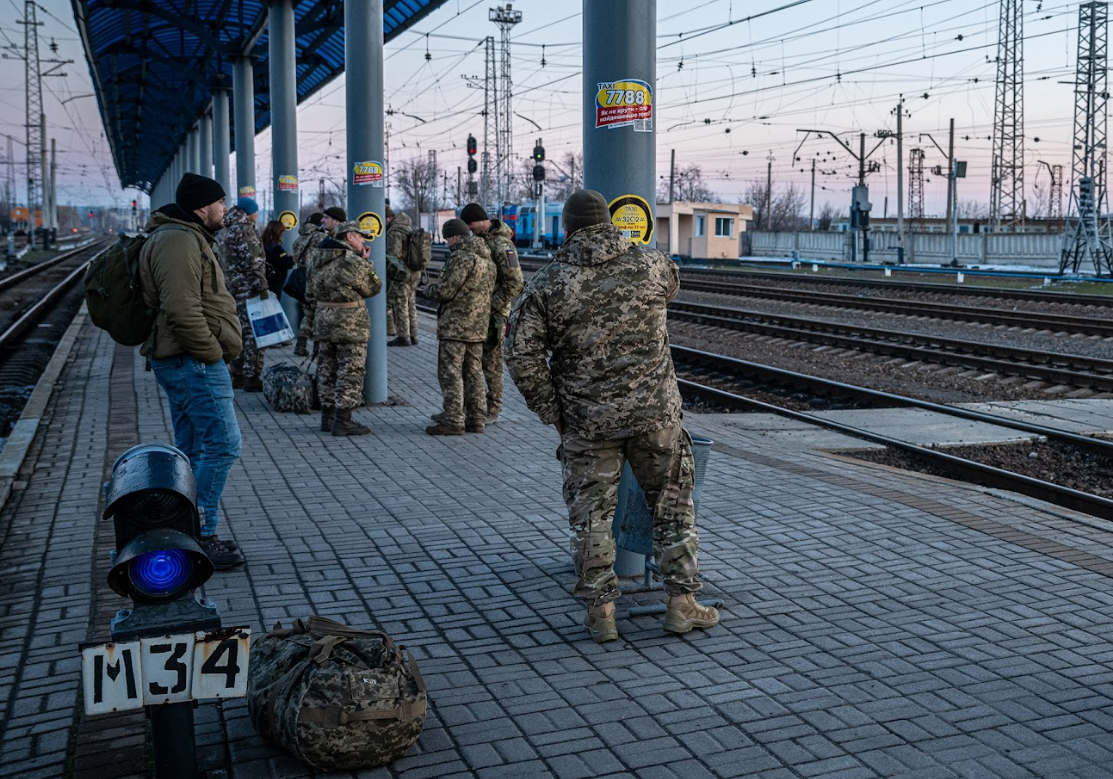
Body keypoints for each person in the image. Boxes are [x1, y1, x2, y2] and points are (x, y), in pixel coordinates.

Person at [504, 190, 719, 643]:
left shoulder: (547, 284)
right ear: (611, 224)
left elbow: (520, 357)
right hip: (656, 417)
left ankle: (601, 612)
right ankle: (682, 605)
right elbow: (673, 287)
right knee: (673, 509)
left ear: (566, 228)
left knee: (591, 518)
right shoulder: (652, 265)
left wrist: (552, 412)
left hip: (586, 423)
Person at [138, 172, 245, 570]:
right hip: (192, 362)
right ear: (201, 208)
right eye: (219, 202)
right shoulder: (179, 241)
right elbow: (181, 309)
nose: (224, 209)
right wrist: (212, 352)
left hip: (185, 360)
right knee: (224, 444)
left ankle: (184, 530)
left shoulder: (183, 237)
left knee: (195, 448)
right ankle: (201, 533)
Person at [306, 220, 382, 436]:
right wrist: (367, 263)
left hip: (323, 321)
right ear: (349, 237)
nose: (363, 242)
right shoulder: (352, 262)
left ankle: (327, 417)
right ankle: (343, 421)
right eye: (360, 237)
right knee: (350, 371)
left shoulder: (316, 258)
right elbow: (373, 287)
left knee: (326, 369)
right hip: (350, 324)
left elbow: (309, 293)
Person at [423, 219, 496, 436]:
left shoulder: (461, 258)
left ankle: (454, 420)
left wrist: (429, 289)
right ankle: (476, 419)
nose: (446, 243)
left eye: (447, 238)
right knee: (474, 372)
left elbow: (446, 291)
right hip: (478, 325)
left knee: (451, 372)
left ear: (455, 237)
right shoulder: (487, 260)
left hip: (456, 327)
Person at [460, 203, 524, 425]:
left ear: (479, 221)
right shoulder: (482, 241)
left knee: (492, 363)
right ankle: (475, 406)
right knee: (474, 361)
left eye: (471, 225)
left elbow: (515, 281)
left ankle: (493, 407)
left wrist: (493, 305)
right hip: (478, 314)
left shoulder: (502, 245)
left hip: (494, 315)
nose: (470, 230)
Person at [216, 196, 268, 392]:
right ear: (249, 212)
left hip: (231, 290)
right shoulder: (245, 231)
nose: (257, 214)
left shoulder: (226, 230)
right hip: (249, 291)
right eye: (256, 211)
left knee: (237, 333)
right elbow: (253, 262)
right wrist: (263, 289)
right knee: (255, 335)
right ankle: (251, 377)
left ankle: (236, 374)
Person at [298, 206, 347, 356]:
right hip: (321, 292)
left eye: (326, 217)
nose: (322, 220)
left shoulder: (344, 239)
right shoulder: (325, 238)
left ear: (336, 221)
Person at [292, 212, 327, 356]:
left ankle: (300, 344)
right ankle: (318, 348)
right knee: (319, 312)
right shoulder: (320, 237)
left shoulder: (300, 238)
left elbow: (294, 256)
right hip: (315, 277)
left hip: (301, 277)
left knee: (307, 313)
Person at [385, 205, 420, 347]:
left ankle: (403, 336)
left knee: (400, 304)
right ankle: (414, 335)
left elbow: (393, 255)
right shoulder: (408, 227)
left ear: (388, 218)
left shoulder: (395, 231)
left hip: (403, 273)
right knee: (411, 304)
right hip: (414, 272)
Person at [261, 220, 293, 297]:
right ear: (278, 233)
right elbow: (285, 263)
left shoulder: (262, 245)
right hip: (274, 283)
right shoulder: (276, 249)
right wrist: (291, 258)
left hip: (265, 280)